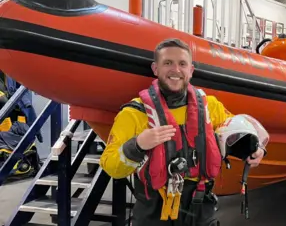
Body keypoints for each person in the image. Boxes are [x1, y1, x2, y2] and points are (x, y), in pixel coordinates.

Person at [100, 38, 267, 226]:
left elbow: (236, 130)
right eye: (168, 63)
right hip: (154, 213)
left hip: (201, 209)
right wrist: (138, 145)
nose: (176, 70)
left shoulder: (210, 107)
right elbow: (110, 166)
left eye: (182, 64)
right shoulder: (133, 114)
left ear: (191, 70)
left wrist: (255, 150)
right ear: (155, 69)